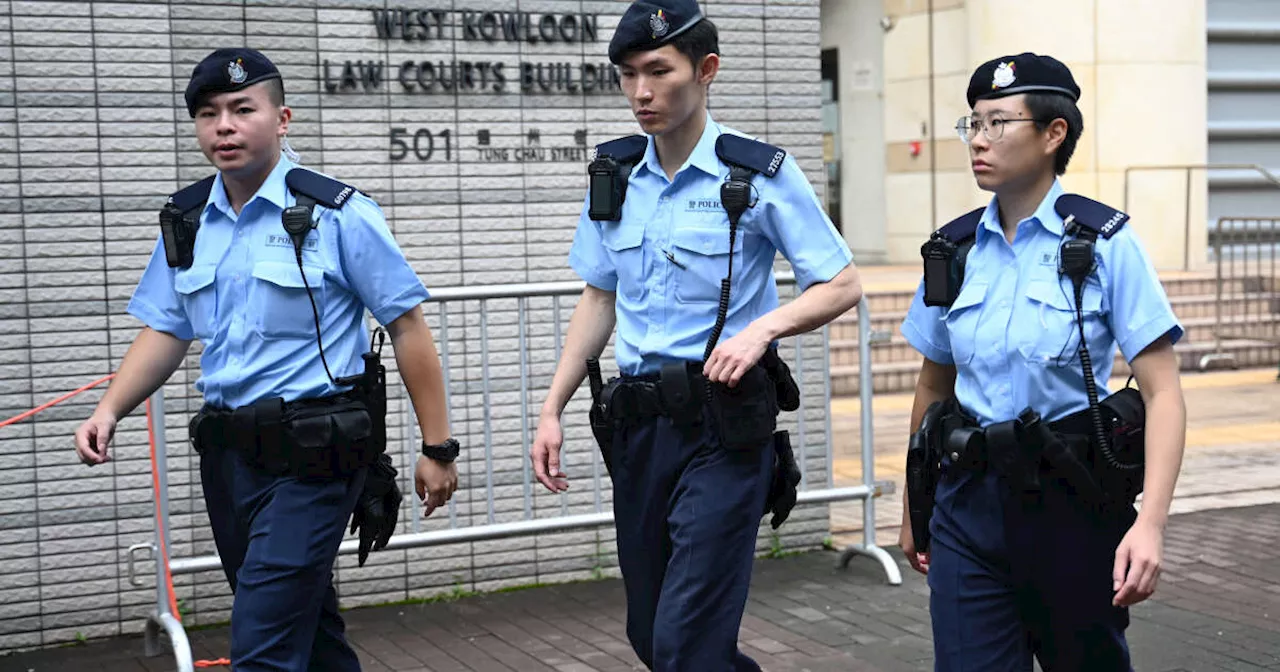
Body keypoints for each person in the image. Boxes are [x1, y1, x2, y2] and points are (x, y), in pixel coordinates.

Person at [73, 48, 461, 671]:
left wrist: (438, 448)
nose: (224, 126)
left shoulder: (337, 213)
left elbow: (407, 325)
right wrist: (111, 408)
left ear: (283, 119)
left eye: (242, 109)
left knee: (261, 647)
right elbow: (168, 330)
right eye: (208, 114)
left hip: (316, 455)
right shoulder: (188, 219)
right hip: (228, 460)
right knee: (308, 636)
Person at [528, 1, 863, 669]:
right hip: (640, 429)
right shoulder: (614, 176)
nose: (641, 93)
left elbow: (843, 283)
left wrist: (760, 332)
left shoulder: (756, 173)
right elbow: (599, 296)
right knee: (652, 637)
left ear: (706, 70)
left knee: (687, 640)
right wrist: (552, 407)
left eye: (658, 71)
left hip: (725, 426)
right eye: (627, 74)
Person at [898, 53, 1187, 670]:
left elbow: (1163, 393)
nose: (978, 139)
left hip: (1072, 503)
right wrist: (913, 507)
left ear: (1054, 133)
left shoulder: (1103, 245)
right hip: (966, 504)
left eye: (998, 123)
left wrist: (1152, 525)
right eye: (972, 123)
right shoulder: (951, 249)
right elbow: (932, 386)